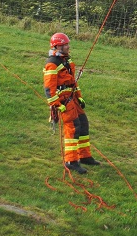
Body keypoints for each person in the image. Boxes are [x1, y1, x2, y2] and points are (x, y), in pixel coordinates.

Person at [43, 32, 100, 174]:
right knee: (73, 128)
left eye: (68, 44)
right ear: (57, 46)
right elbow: (49, 89)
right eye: (65, 45)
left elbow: (73, 82)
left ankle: (85, 156)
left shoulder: (65, 61)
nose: (68, 47)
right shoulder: (52, 64)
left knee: (83, 124)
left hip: (72, 97)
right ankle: (71, 161)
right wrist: (57, 105)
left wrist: (79, 96)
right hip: (64, 101)